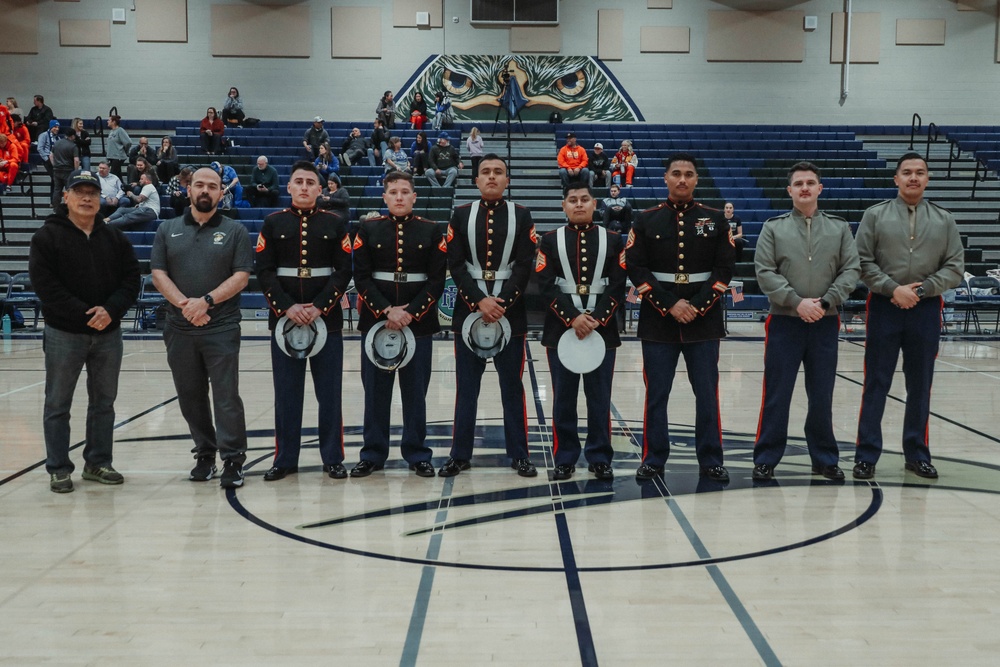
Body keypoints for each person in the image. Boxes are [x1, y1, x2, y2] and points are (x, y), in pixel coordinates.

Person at [853, 152, 965, 480]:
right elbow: (862, 261)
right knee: (876, 382)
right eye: (907, 172)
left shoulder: (944, 220)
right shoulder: (875, 216)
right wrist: (892, 289)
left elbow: (955, 267)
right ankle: (866, 455)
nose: (913, 177)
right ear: (896, 179)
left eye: (919, 172)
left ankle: (916, 454)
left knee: (920, 385)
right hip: (885, 307)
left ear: (927, 179)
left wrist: (921, 290)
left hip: (926, 309)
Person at [28, 169, 141, 493]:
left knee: (104, 403)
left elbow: (131, 279)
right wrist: (85, 314)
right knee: (58, 403)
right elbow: (46, 286)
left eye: (92, 192)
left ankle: (98, 463)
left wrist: (111, 310)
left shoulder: (115, 237)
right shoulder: (47, 237)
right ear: (66, 196)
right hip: (64, 334)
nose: (87, 197)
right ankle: (59, 468)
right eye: (80, 192)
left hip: (109, 334)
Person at [625, 153, 735, 483]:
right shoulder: (645, 220)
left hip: (704, 322)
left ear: (697, 180)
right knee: (656, 394)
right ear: (666, 179)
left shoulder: (716, 219)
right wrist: (670, 304)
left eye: (688, 174)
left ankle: (712, 458)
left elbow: (724, 269)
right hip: (659, 322)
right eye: (676, 173)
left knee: (707, 393)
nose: (682, 179)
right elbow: (636, 267)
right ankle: (653, 458)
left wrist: (696, 306)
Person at [751, 162, 860, 481]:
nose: (804, 188)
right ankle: (767, 457)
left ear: (819, 189)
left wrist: (825, 302)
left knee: (822, 394)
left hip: (825, 322)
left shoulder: (840, 228)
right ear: (789, 190)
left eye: (810, 182)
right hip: (784, 322)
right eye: (798, 183)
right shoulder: (774, 227)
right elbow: (764, 271)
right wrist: (797, 302)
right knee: (777, 394)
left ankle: (825, 458)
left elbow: (851, 270)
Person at [151, 166, 253, 488]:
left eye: (213, 186)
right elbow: (158, 274)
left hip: (221, 327)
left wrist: (205, 302)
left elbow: (241, 277)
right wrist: (187, 306)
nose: (205, 190)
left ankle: (233, 459)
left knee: (226, 396)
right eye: (199, 185)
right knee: (190, 396)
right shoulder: (167, 229)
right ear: (188, 189)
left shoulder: (236, 231)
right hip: (179, 328)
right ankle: (205, 454)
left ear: (222, 192)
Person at [440, 154, 538, 478]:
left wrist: (502, 302)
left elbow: (525, 265)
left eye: (498, 172)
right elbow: (454, 264)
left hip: (511, 314)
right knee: (466, 388)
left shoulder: (522, 215)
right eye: (486, 172)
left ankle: (520, 454)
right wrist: (480, 301)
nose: (492, 177)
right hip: (469, 312)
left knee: (513, 387)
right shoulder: (460, 215)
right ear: (476, 180)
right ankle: (460, 454)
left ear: (507, 180)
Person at [255, 161, 354, 481]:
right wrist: (286, 307)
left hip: (327, 323)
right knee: (286, 394)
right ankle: (284, 459)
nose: (304, 187)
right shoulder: (272, 223)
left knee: (329, 394)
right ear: (289, 187)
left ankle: (332, 457)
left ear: (320, 189)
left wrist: (320, 306)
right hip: (285, 323)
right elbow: (265, 272)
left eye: (311, 182)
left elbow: (343, 271)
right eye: (298, 181)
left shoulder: (336, 224)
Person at [351, 171, 447, 478]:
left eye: (405, 192)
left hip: (418, 326)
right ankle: (373, 454)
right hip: (377, 324)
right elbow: (362, 278)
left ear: (415, 197)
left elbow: (436, 281)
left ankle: (417, 453)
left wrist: (411, 312)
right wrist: (386, 311)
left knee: (415, 393)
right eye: (393, 192)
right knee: (375, 393)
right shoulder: (367, 229)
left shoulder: (431, 230)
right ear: (384, 197)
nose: (399, 197)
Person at [536, 182, 627, 481]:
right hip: (560, 330)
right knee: (563, 398)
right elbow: (545, 285)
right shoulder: (549, 241)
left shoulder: (614, 240)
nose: (578, 204)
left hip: (603, 330)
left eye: (584, 199)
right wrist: (573, 318)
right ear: (563, 206)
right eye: (572, 200)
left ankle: (600, 456)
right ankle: (564, 457)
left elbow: (617, 284)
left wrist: (597, 318)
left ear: (594, 204)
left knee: (599, 397)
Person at [50, 128, 80, 209]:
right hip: (68, 171)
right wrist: (76, 170)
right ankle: (71, 208)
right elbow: (76, 160)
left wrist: (54, 165)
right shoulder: (73, 146)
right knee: (70, 190)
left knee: (57, 190)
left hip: (57, 170)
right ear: (73, 136)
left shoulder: (57, 143)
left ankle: (55, 209)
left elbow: (51, 155)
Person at [105, 114, 131, 181]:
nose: (107, 121)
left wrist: (125, 151)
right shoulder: (111, 131)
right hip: (112, 156)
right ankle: (123, 188)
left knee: (112, 175)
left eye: (109, 120)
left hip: (118, 156)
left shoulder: (120, 130)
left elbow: (128, 142)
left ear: (113, 122)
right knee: (118, 176)